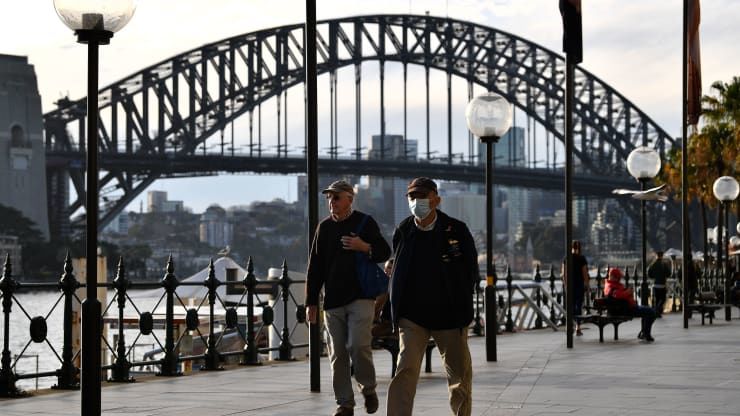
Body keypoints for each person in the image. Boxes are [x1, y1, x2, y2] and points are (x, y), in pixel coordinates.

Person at [386, 177, 478, 416]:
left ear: (436, 199)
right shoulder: (404, 230)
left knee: (459, 376)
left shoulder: (456, 229)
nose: (417, 201)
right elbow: (399, 261)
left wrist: (463, 301)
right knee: (405, 369)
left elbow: (471, 270)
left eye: (422, 196)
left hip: (449, 314)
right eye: (412, 197)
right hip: (412, 315)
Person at [305, 180, 391, 416]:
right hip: (332, 301)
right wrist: (311, 302)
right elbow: (315, 267)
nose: (331, 202)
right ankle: (345, 404)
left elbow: (385, 252)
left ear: (350, 199)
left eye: (336, 197)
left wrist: (364, 246)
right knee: (337, 354)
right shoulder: (324, 228)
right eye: (328, 198)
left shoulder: (365, 223)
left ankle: (369, 388)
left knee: (357, 345)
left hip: (361, 297)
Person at [604, 268, 657, 342]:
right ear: (613, 277)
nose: (619, 279)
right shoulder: (611, 286)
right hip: (626, 310)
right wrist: (628, 292)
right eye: (618, 277)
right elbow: (617, 295)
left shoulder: (611, 284)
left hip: (627, 308)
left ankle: (644, 332)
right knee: (651, 312)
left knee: (649, 311)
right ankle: (645, 333)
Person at [561, 240, 589, 336]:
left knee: (570, 306)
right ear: (579, 248)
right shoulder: (582, 259)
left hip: (570, 285)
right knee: (578, 306)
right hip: (579, 285)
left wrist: (566, 285)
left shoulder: (566, 258)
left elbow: (564, 273)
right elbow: (584, 273)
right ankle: (578, 327)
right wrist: (587, 284)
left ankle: (569, 326)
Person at [647, 250, 671, 317]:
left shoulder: (653, 264)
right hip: (662, 284)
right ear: (662, 256)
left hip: (655, 284)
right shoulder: (664, 264)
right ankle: (658, 310)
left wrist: (654, 277)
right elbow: (669, 274)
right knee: (662, 299)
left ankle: (656, 311)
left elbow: (649, 273)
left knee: (657, 299)